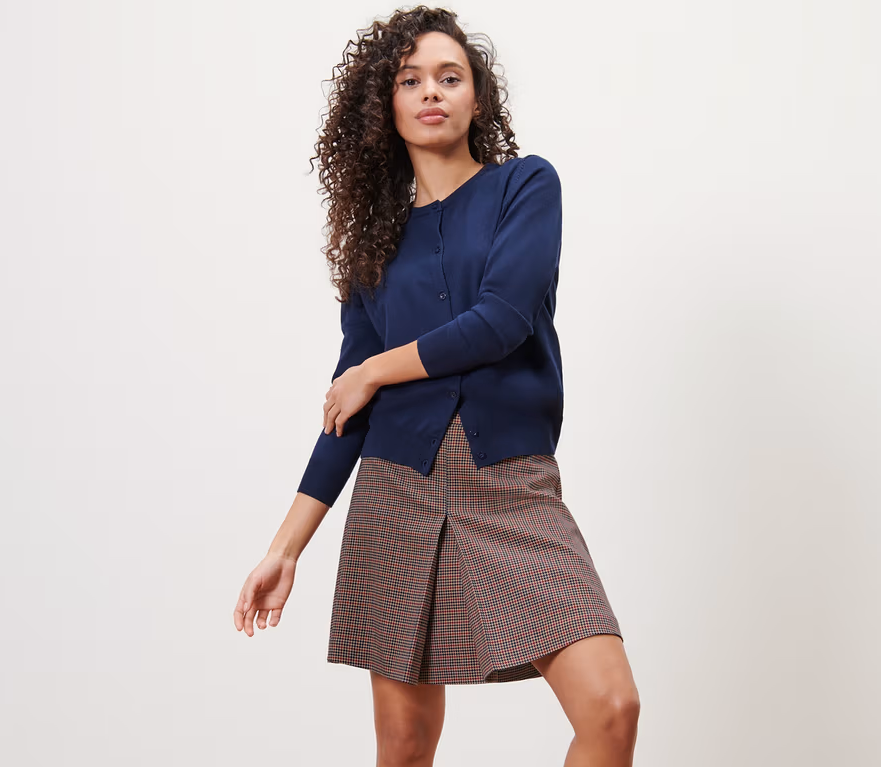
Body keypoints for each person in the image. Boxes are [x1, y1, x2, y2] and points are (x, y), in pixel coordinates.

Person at [234, 6, 640, 765]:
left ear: (477, 99)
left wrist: (375, 369)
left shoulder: (525, 186)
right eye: (410, 80)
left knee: (612, 708)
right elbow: (347, 412)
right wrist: (285, 549)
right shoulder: (375, 246)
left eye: (450, 77)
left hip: (508, 483)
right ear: (384, 109)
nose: (431, 91)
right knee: (405, 745)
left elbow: (501, 321)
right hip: (395, 491)